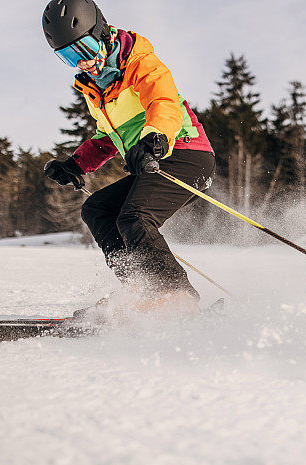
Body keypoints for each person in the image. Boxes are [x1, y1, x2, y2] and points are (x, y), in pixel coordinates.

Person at [41, 0, 214, 315]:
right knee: (98, 210)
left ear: (102, 32)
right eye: (69, 56)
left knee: (134, 218)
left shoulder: (140, 61)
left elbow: (162, 102)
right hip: (152, 161)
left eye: (85, 47)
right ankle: (141, 291)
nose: (83, 62)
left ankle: (177, 297)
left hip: (185, 153)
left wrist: (154, 139)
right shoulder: (96, 89)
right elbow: (108, 136)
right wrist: (75, 165)